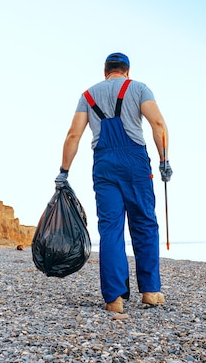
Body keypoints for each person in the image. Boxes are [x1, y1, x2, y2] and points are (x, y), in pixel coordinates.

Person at [55, 52, 173, 313]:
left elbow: (74, 134)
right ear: (127, 71)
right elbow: (158, 123)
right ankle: (151, 292)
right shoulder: (139, 88)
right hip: (135, 163)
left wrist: (64, 171)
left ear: (105, 71)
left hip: (105, 165)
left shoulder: (88, 95)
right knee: (144, 223)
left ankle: (114, 299)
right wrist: (164, 160)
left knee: (110, 229)